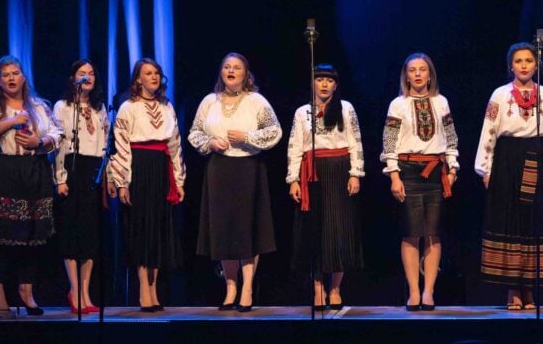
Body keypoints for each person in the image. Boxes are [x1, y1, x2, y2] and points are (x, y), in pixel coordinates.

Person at [474, 42, 543, 309]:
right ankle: (512, 290)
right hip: (507, 162)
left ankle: (530, 289)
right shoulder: (500, 95)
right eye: (519, 61)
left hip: (538, 158)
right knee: (511, 223)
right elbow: (489, 130)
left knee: (533, 224)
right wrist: (486, 167)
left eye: (529, 60)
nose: (524, 65)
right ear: (511, 66)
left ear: (536, 65)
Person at [188, 53, 282, 313]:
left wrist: (247, 136)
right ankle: (230, 288)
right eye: (226, 67)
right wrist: (210, 143)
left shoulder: (255, 101)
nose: (231, 71)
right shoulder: (210, 101)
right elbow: (194, 132)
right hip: (218, 169)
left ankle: (247, 288)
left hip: (248, 168)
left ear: (245, 73)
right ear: (221, 72)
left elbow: (275, 131)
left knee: (246, 229)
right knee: (223, 230)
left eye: (236, 67)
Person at [0, 56, 62, 318]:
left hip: (34, 170)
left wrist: (39, 141)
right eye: (6, 74)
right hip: (3, 170)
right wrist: (11, 121)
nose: (11, 78)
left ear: (23, 76)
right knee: (2, 232)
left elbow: (57, 134)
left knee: (34, 233)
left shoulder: (39, 106)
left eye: (15, 73)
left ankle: (26, 290)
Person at [382, 53, 458, 311]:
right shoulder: (398, 104)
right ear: (406, 75)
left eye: (422, 70)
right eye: (412, 70)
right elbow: (389, 141)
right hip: (408, 170)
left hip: (435, 170)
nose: (417, 74)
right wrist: (394, 174)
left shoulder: (441, 102)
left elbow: (450, 137)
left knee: (432, 233)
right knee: (411, 232)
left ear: (429, 74)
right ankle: (414, 291)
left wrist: (452, 168)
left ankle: (429, 291)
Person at [109, 58, 186, 311]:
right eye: (148, 73)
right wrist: (122, 182)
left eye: (156, 73)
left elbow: (174, 144)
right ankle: (144, 289)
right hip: (139, 168)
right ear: (138, 79)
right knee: (142, 228)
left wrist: (178, 179)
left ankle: (154, 290)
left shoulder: (166, 106)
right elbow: (120, 145)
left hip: (161, 169)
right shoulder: (128, 107)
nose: (153, 77)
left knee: (159, 229)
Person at [287, 64, 365, 310]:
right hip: (312, 172)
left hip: (339, 170)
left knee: (338, 230)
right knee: (315, 231)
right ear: (312, 83)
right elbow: (295, 145)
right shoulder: (302, 112)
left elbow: (355, 141)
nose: (323, 84)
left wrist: (356, 174)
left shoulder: (346, 108)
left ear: (335, 84)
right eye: (319, 79)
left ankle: (336, 287)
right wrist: (293, 179)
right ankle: (318, 288)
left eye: (328, 80)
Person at [53, 59, 109, 315]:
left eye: (91, 73)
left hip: (93, 171)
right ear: (72, 77)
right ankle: (74, 290)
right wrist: (61, 178)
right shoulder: (63, 107)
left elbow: (106, 142)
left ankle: (86, 292)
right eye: (81, 73)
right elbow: (59, 145)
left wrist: (107, 176)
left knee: (89, 234)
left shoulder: (99, 108)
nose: (87, 77)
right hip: (72, 170)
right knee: (71, 232)